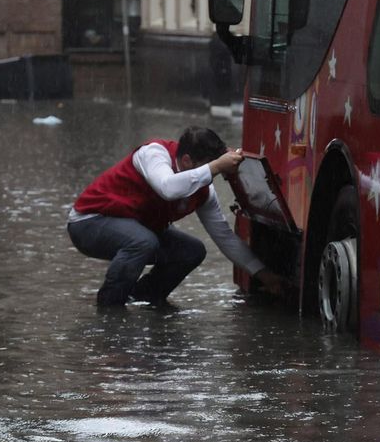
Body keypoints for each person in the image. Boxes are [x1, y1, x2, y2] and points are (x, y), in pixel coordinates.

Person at [69, 126, 285, 307]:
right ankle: (110, 307)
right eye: (209, 169)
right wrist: (217, 165)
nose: (211, 176)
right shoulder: (154, 154)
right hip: (88, 222)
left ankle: (143, 297)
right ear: (187, 160)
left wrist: (264, 275)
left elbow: (225, 238)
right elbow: (168, 188)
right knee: (144, 242)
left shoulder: (203, 190)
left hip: (134, 229)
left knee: (191, 251)